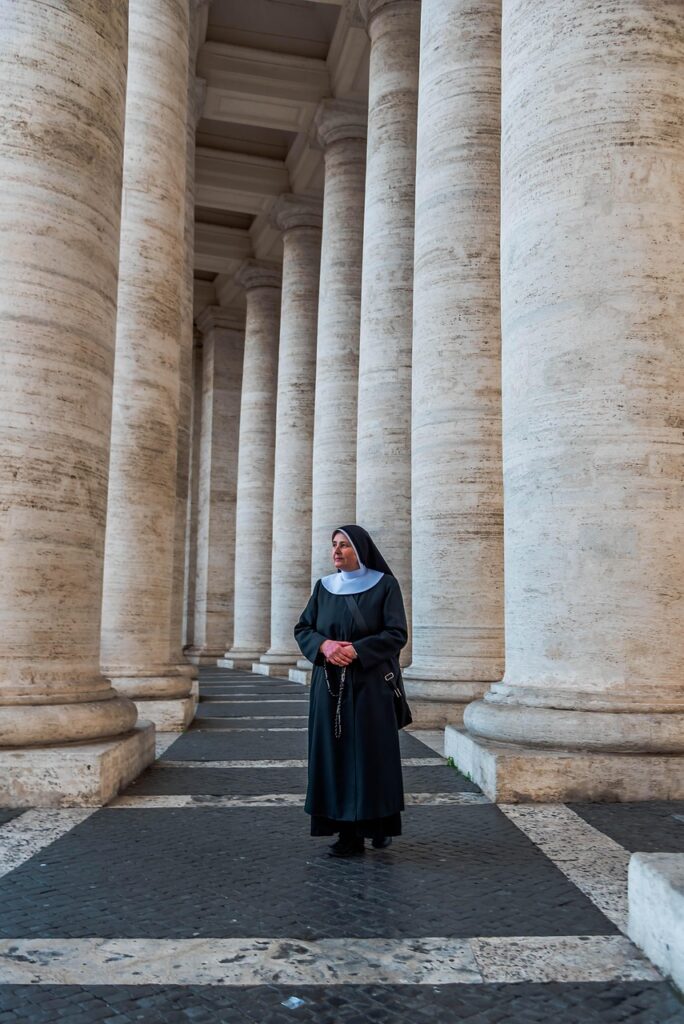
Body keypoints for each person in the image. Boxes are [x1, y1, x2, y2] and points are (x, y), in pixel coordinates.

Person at [294, 525, 408, 858]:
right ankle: (346, 834)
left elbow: (396, 633)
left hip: (371, 687)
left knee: (373, 757)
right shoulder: (323, 588)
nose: (336, 551)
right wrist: (325, 645)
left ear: (361, 550)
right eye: (334, 545)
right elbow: (304, 628)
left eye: (344, 545)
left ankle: (379, 825)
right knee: (334, 757)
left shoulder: (385, 585)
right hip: (328, 689)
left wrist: (357, 651)